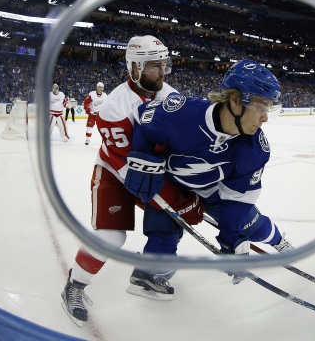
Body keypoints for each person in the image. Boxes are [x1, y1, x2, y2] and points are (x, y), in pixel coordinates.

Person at [123, 59, 294, 300]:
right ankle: (151, 274)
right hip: (172, 184)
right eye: (260, 106)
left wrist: (231, 239)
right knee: (164, 230)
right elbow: (143, 120)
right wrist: (143, 157)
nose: (265, 117)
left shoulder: (255, 149)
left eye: (269, 108)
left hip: (215, 191)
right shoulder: (181, 113)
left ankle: (278, 242)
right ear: (235, 99)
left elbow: (237, 200)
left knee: (251, 224)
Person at [60, 35, 178, 326]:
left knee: (172, 219)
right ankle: (73, 288)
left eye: (164, 65)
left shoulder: (170, 96)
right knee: (112, 236)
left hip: (151, 172)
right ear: (134, 68)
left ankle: (147, 274)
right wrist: (155, 189)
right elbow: (120, 157)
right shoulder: (115, 105)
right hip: (114, 171)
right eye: (154, 66)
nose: (162, 72)